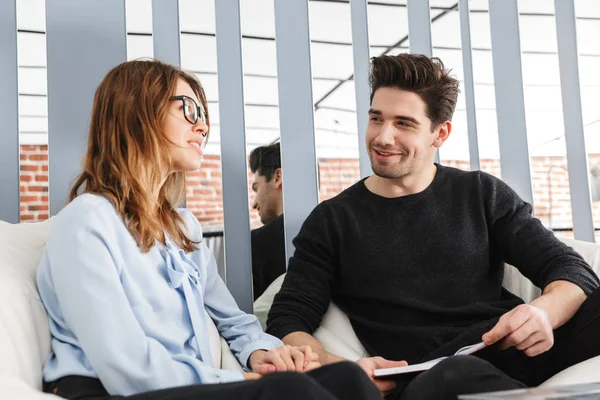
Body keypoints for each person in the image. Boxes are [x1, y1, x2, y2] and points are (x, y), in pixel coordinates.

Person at [36, 59, 382, 400]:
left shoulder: (183, 227)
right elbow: (127, 367)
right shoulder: (87, 221)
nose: (202, 127)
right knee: (291, 390)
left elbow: (233, 321)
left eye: (202, 115)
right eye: (188, 109)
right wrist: (243, 381)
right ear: (136, 112)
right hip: (113, 390)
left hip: (195, 386)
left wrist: (263, 354)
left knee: (346, 378)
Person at [266, 53, 600, 400]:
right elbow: (288, 318)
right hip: (430, 374)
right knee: (456, 373)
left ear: (440, 133)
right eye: (376, 118)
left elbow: (570, 269)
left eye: (403, 124)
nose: (382, 137)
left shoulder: (481, 193)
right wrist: (342, 369)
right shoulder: (332, 220)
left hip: (517, 346)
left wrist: (541, 313)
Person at [249, 142, 287, 299]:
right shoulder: (337, 230)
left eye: (256, 188)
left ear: (278, 177)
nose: (254, 203)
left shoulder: (256, 243)